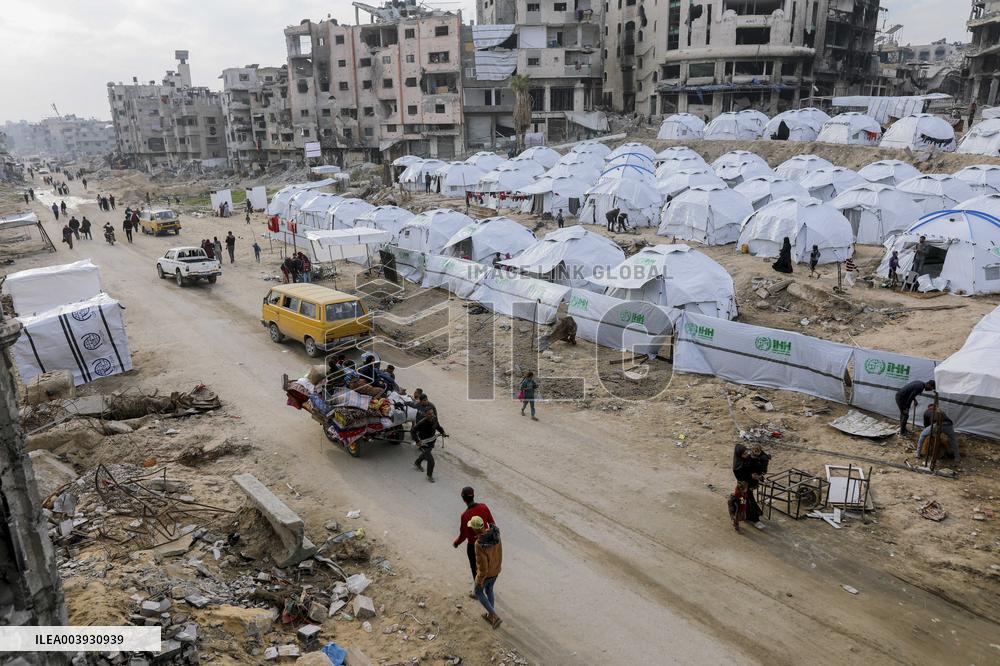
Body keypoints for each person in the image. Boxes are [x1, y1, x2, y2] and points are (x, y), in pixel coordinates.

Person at [454, 487, 497, 597]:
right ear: (473, 495)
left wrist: (456, 543)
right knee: (487, 565)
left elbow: (463, 535)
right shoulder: (483, 507)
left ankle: (478, 591)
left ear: (463, 499)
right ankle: (489, 586)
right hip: (488, 543)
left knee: (476, 568)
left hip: (473, 546)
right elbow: (492, 524)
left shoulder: (465, 516)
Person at [470, 516, 503, 629]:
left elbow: (482, 567)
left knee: (478, 592)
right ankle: (490, 615)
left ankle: (494, 615)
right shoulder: (495, 534)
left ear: (475, 529)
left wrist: (479, 580)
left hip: (487, 574)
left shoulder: (479, 544)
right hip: (496, 570)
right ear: (483, 525)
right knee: (489, 590)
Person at [732, 443, 770, 528]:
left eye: (747, 452)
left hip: (749, 486)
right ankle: (749, 519)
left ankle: (747, 517)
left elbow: (755, 468)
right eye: (744, 454)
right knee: (744, 502)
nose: (747, 455)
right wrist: (751, 476)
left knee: (746, 503)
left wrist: (761, 478)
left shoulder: (748, 459)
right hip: (743, 489)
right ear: (739, 455)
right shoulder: (737, 467)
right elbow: (742, 477)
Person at [413, 407, 446, 483]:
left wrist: (442, 432)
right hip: (424, 444)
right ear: (425, 415)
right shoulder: (421, 423)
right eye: (429, 414)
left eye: (432, 413)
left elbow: (438, 426)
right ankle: (429, 475)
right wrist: (417, 441)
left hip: (432, 441)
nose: (431, 415)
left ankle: (417, 463)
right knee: (431, 461)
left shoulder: (434, 419)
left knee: (425, 454)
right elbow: (413, 431)